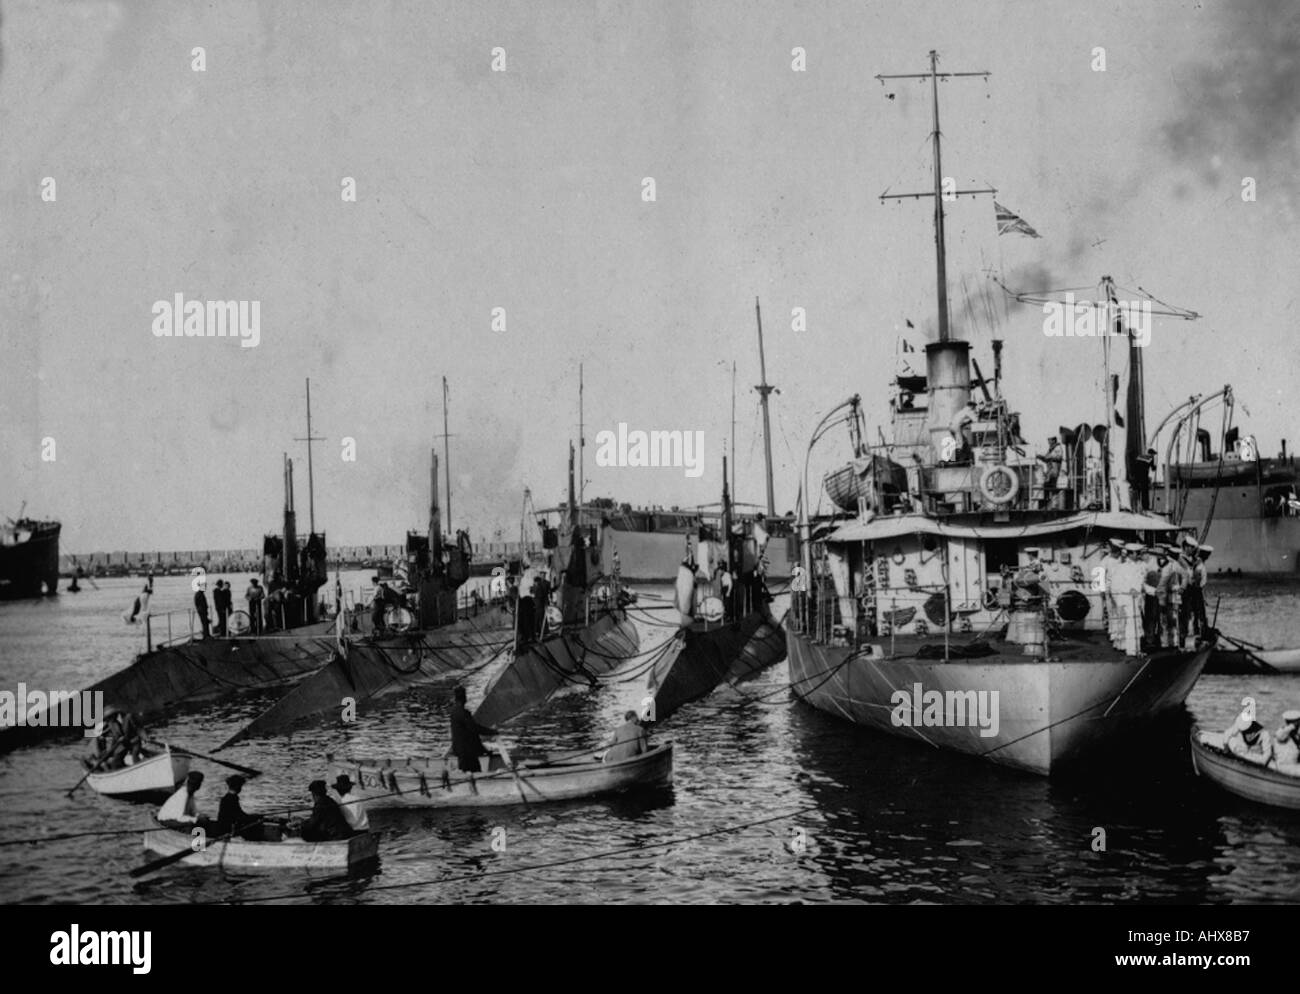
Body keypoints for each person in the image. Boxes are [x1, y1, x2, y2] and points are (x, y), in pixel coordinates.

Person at [449, 685, 498, 772]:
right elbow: (475, 729)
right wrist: (492, 732)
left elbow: (471, 734)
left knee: (467, 771)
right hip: (467, 752)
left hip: (462, 751)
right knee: (473, 772)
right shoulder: (463, 713)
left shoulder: (454, 712)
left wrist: (484, 750)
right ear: (464, 698)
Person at [215, 774, 271, 840]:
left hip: (227, 826)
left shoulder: (227, 798)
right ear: (238, 787)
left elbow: (239, 814)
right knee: (255, 826)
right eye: (241, 786)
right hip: (228, 829)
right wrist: (254, 817)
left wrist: (253, 816)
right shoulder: (231, 799)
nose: (241, 788)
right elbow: (239, 816)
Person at [1036, 436, 1065, 509]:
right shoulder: (1051, 449)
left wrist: (1047, 457)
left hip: (1054, 471)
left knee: (1051, 487)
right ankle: (1049, 505)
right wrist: (1040, 457)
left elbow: (1058, 457)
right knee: (1048, 487)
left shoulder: (1058, 448)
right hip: (1050, 470)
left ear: (1054, 440)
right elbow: (1046, 458)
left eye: (1049, 440)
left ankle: (1054, 505)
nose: (1048, 442)